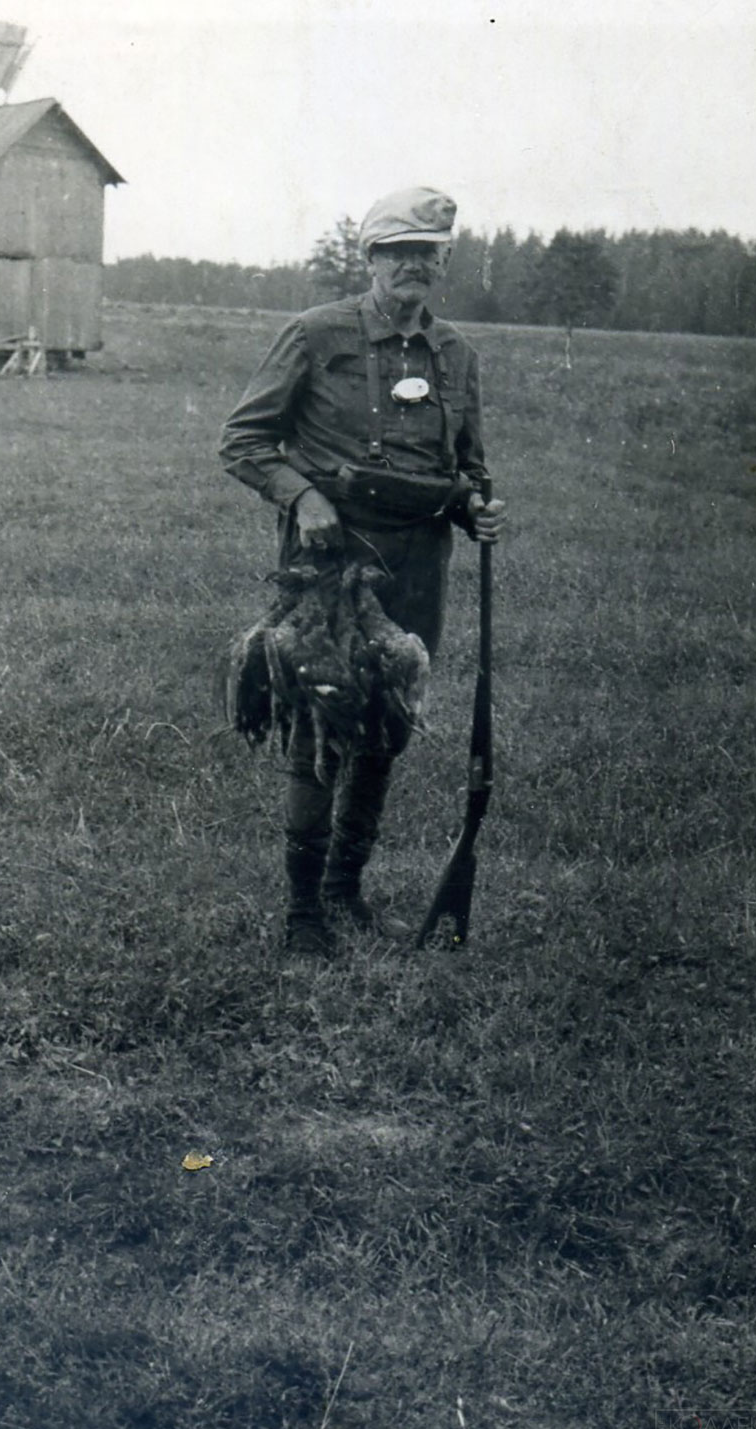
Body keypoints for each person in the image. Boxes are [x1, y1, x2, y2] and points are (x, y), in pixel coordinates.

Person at [219, 186, 505, 956]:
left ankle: (345, 891)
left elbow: (469, 469)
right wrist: (304, 495)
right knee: (322, 722)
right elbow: (243, 441)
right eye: (399, 250)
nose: (414, 264)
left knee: (388, 724)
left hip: (418, 565)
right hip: (330, 561)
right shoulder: (315, 335)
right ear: (371, 257)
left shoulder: (458, 356)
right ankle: (302, 915)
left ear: (444, 261)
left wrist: (475, 508)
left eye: (428, 252)